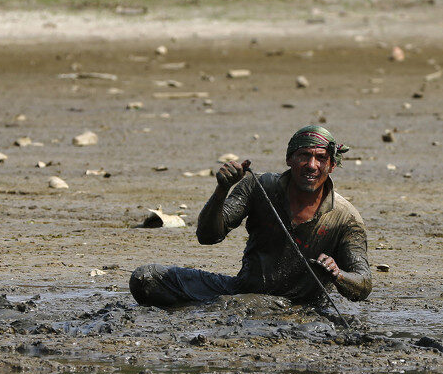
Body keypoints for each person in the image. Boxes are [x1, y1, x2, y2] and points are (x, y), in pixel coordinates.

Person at [129, 125, 372, 308]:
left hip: (304, 306)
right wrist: (222, 189)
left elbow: (362, 285)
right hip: (242, 292)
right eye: (304, 156)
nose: (311, 165)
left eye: (321, 158)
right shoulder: (259, 186)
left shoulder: (345, 218)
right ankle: (232, 308)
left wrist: (339, 274)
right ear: (289, 159)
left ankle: (225, 309)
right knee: (145, 278)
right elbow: (208, 236)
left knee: (235, 306)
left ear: (332, 165)